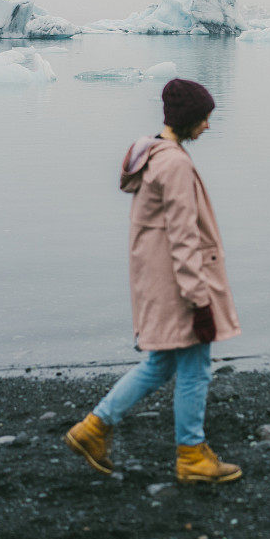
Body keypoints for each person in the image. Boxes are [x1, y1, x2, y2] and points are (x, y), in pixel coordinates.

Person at [64, 78, 242, 483]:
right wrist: (199, 302)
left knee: (161, 363)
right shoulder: (175, 164)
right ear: (188, 119)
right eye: (205, 119)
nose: (208, 127)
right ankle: (192, 457)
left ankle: (93, 429)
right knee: (196, 368)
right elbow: (184, 238)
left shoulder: (153, 156)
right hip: (180, 287)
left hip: (158, 282)